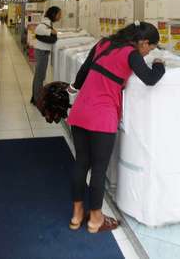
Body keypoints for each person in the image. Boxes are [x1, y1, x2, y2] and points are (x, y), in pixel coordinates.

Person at [66, 22, 165, 233]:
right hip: (102, 116)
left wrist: (72, 88)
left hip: (81, 110)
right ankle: (95, 219)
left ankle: (76, 215)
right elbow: (150, 79)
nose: (148, 53)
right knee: (99, 168)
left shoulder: (104, 43)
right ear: (143, 42)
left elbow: (83, 71)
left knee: (81, 163)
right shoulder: (132, 54)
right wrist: (159, 64)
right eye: (150, 49)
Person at [30, 6, 62, 104]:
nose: (60, 16)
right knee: (39, 77)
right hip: (41, 52)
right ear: (53, 14)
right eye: (59, 14)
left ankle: (35, 97)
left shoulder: (48, 22)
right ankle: (37, 99)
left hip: (42, 52)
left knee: (40, 76)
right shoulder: (46, 22)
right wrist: (51, 31)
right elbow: (37, 30)